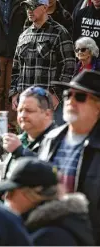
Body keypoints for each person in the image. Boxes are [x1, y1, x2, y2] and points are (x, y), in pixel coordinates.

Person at [38, 70, 100, 245]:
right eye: (67, 95)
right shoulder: (50, 139)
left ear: (98, 106)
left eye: (80, 97)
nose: (70, 100)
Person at [0, 157, 95, 246]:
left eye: (11, 192)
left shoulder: (52, 237)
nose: (5, 197)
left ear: (33, 194)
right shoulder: (40, 224)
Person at [10, 0, 75, 126]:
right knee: (28, 142)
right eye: (26, 7)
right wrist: (14, 94)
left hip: (49, 104)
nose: (29, 10)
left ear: (45, 7)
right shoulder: (24, 35)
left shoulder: (60, 32)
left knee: (51, 142)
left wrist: (56, 94)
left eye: (33, 6)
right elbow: (16, 68)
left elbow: (69, 66)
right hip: (26, 102)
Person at [0, 86, 56, 200]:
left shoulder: (59, 141)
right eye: (20, 110)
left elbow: (53, 174)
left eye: (29, 110)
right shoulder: (19, 140)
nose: (23, 115)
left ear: (47, 114)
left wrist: (20, 152)